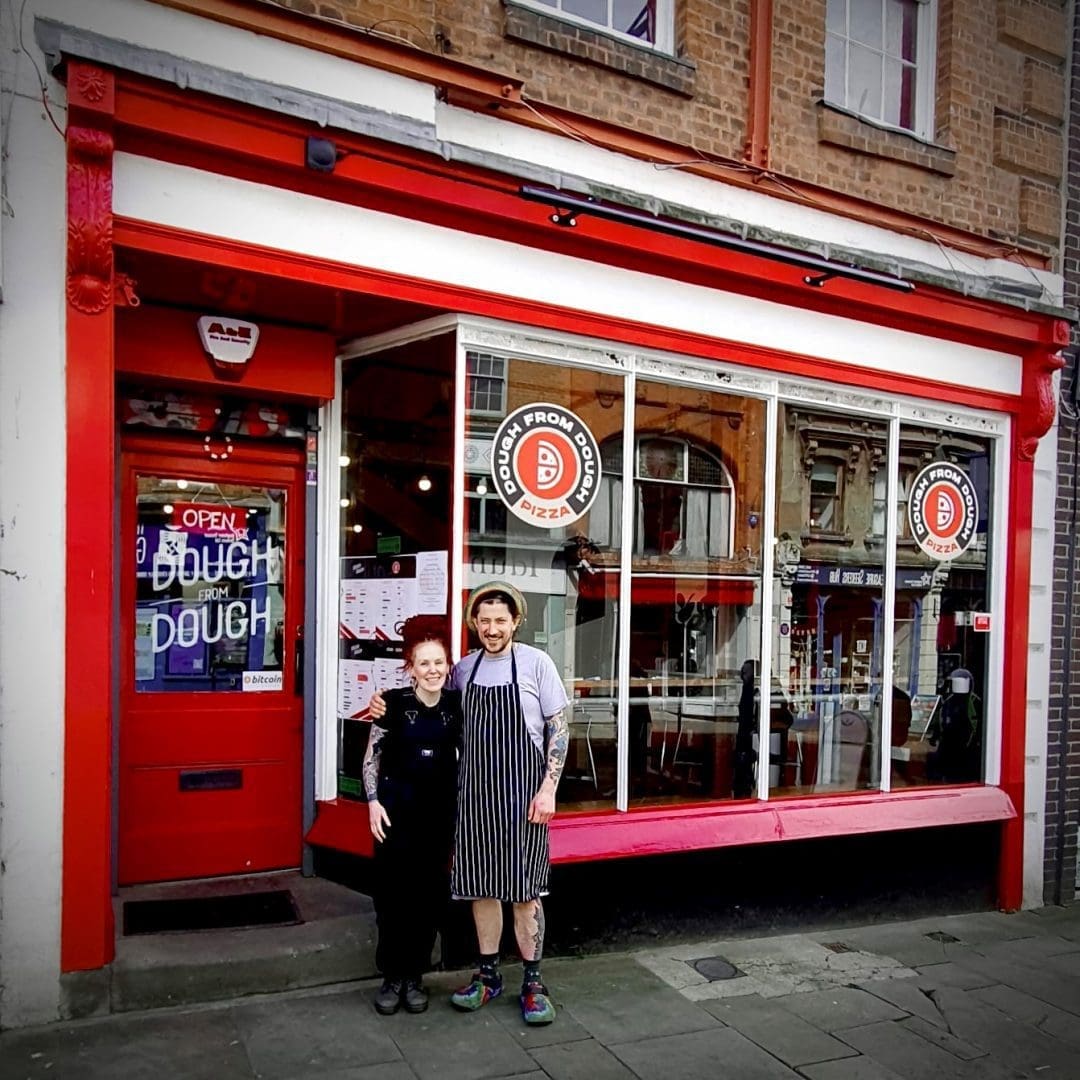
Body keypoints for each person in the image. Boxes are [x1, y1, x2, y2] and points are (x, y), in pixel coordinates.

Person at [369, 581, 569, 1025]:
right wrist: (384, 703)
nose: (492, 628)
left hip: (524, 798)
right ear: (473, 624)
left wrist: (548, 788)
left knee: (525, 893)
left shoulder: (537, 664)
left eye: (501, 620)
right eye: (484, 621)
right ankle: (487, 976)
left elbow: (560, 728)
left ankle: (534, 983)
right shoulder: (464, 671)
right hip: (474, 800)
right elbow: (425, 701)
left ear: (516, 621)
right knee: (481, 890)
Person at [363, 616, 462, 1016]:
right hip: (394, 815)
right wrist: (372, 800)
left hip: (438, 817)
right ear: (411, 668)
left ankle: (415, 977)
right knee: (392, 898)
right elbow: (372, 756)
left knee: (427, 898)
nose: (432, 670)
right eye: (424, 663)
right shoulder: (393, 703)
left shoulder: (457, 707)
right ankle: (391, 976)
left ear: (448, 666)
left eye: (439, 662)